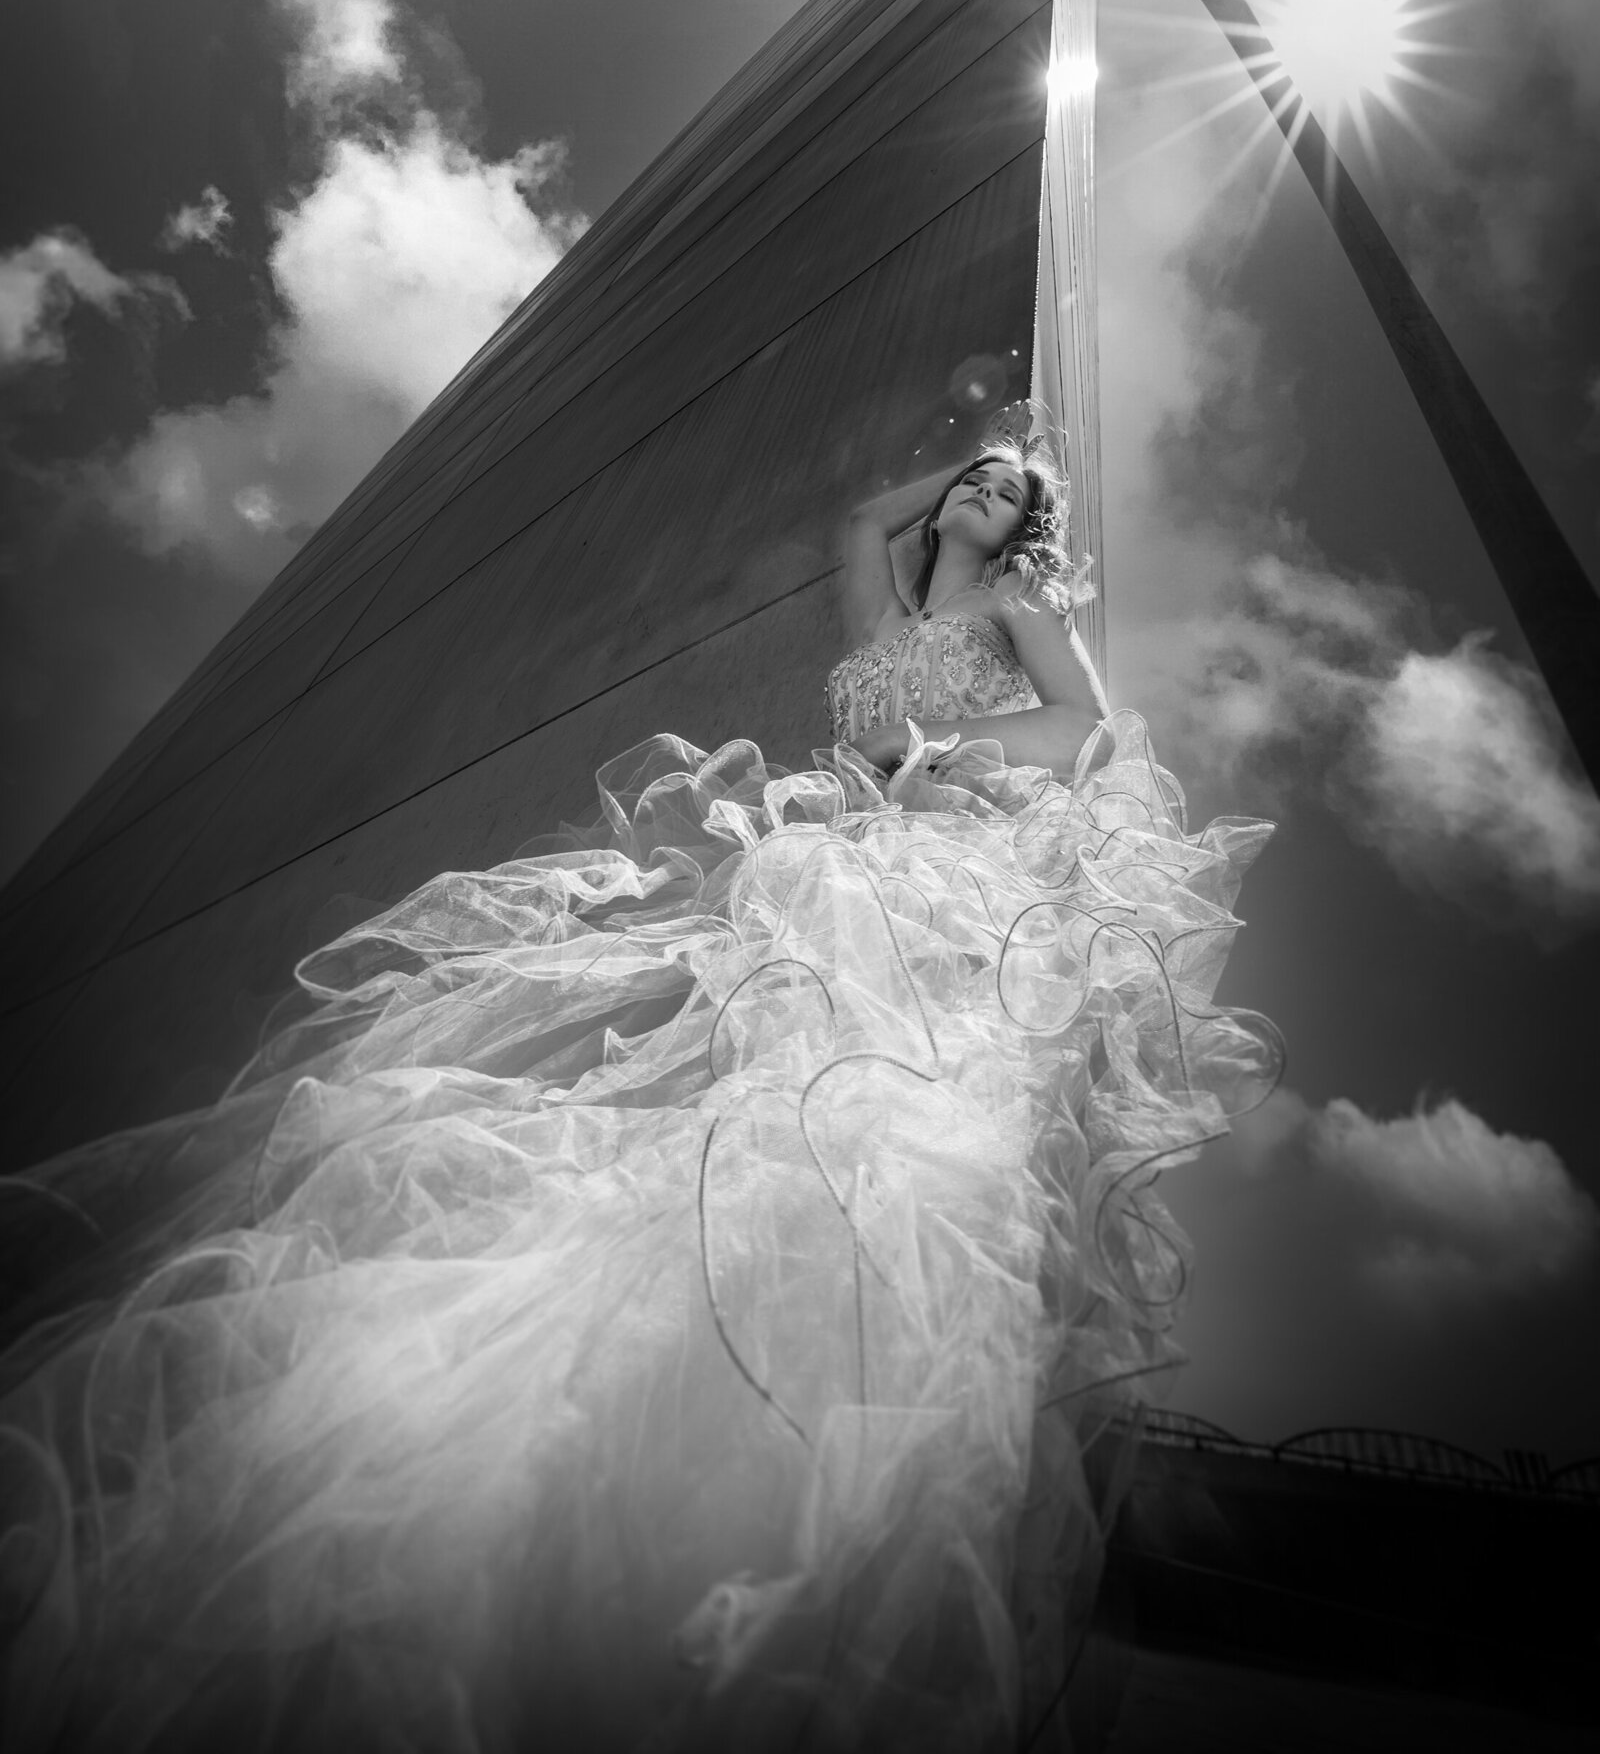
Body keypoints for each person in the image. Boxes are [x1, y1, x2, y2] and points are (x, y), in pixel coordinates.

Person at [0, 427, 1277, 1754]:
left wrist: (960, 738)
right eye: (972, 478)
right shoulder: (885, 600)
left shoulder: (1016, 600)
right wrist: (971, 473)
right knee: (725, 1088)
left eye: (1008, 492)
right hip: (839, 839)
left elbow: (1085, 722)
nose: (980, 491)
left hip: (936, 852)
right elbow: (859, 522)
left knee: (867, 1110)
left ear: (1025, 536)